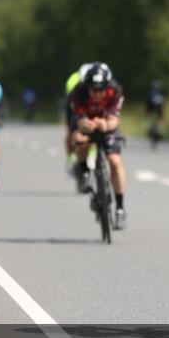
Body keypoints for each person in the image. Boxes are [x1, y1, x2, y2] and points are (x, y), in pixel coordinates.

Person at [67, 62, 127, 229]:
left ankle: (120, 208)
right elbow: (77, 122)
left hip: (107, 124)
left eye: (101, 90)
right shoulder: (78, 94)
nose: (98, 94)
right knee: (79, 140)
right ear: (87, 87)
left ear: (107, 87)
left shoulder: (116, 91)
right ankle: (84, 171)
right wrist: (86, 125)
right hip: (85, 123)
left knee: (115, 161)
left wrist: (106, 125)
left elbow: (115, 120)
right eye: (94, 90)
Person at [64, 63, 93, 171]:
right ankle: (70, 157)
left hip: (92, 105)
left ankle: (93, 154)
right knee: (71, 131)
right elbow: (69, 96)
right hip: (74, 104)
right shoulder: (74, 79)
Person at [146, 79, 166, 148]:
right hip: (159, 110)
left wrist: (147, 113)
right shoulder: (161, 94)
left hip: (151, 108)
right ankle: (160, 131)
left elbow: (147, 104)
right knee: (160, 119)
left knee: (148, 117)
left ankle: (149, 128)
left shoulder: (150, 93)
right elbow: (163, 105)